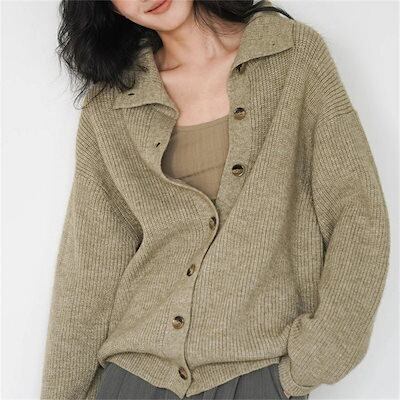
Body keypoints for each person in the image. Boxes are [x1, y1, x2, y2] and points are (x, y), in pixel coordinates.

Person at [40, 0, 391, 399]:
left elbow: (357, 214)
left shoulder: (292, 57)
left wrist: (314, 361)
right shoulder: (111, 104)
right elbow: (89, 267)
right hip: (133, 378)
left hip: (255, 376)